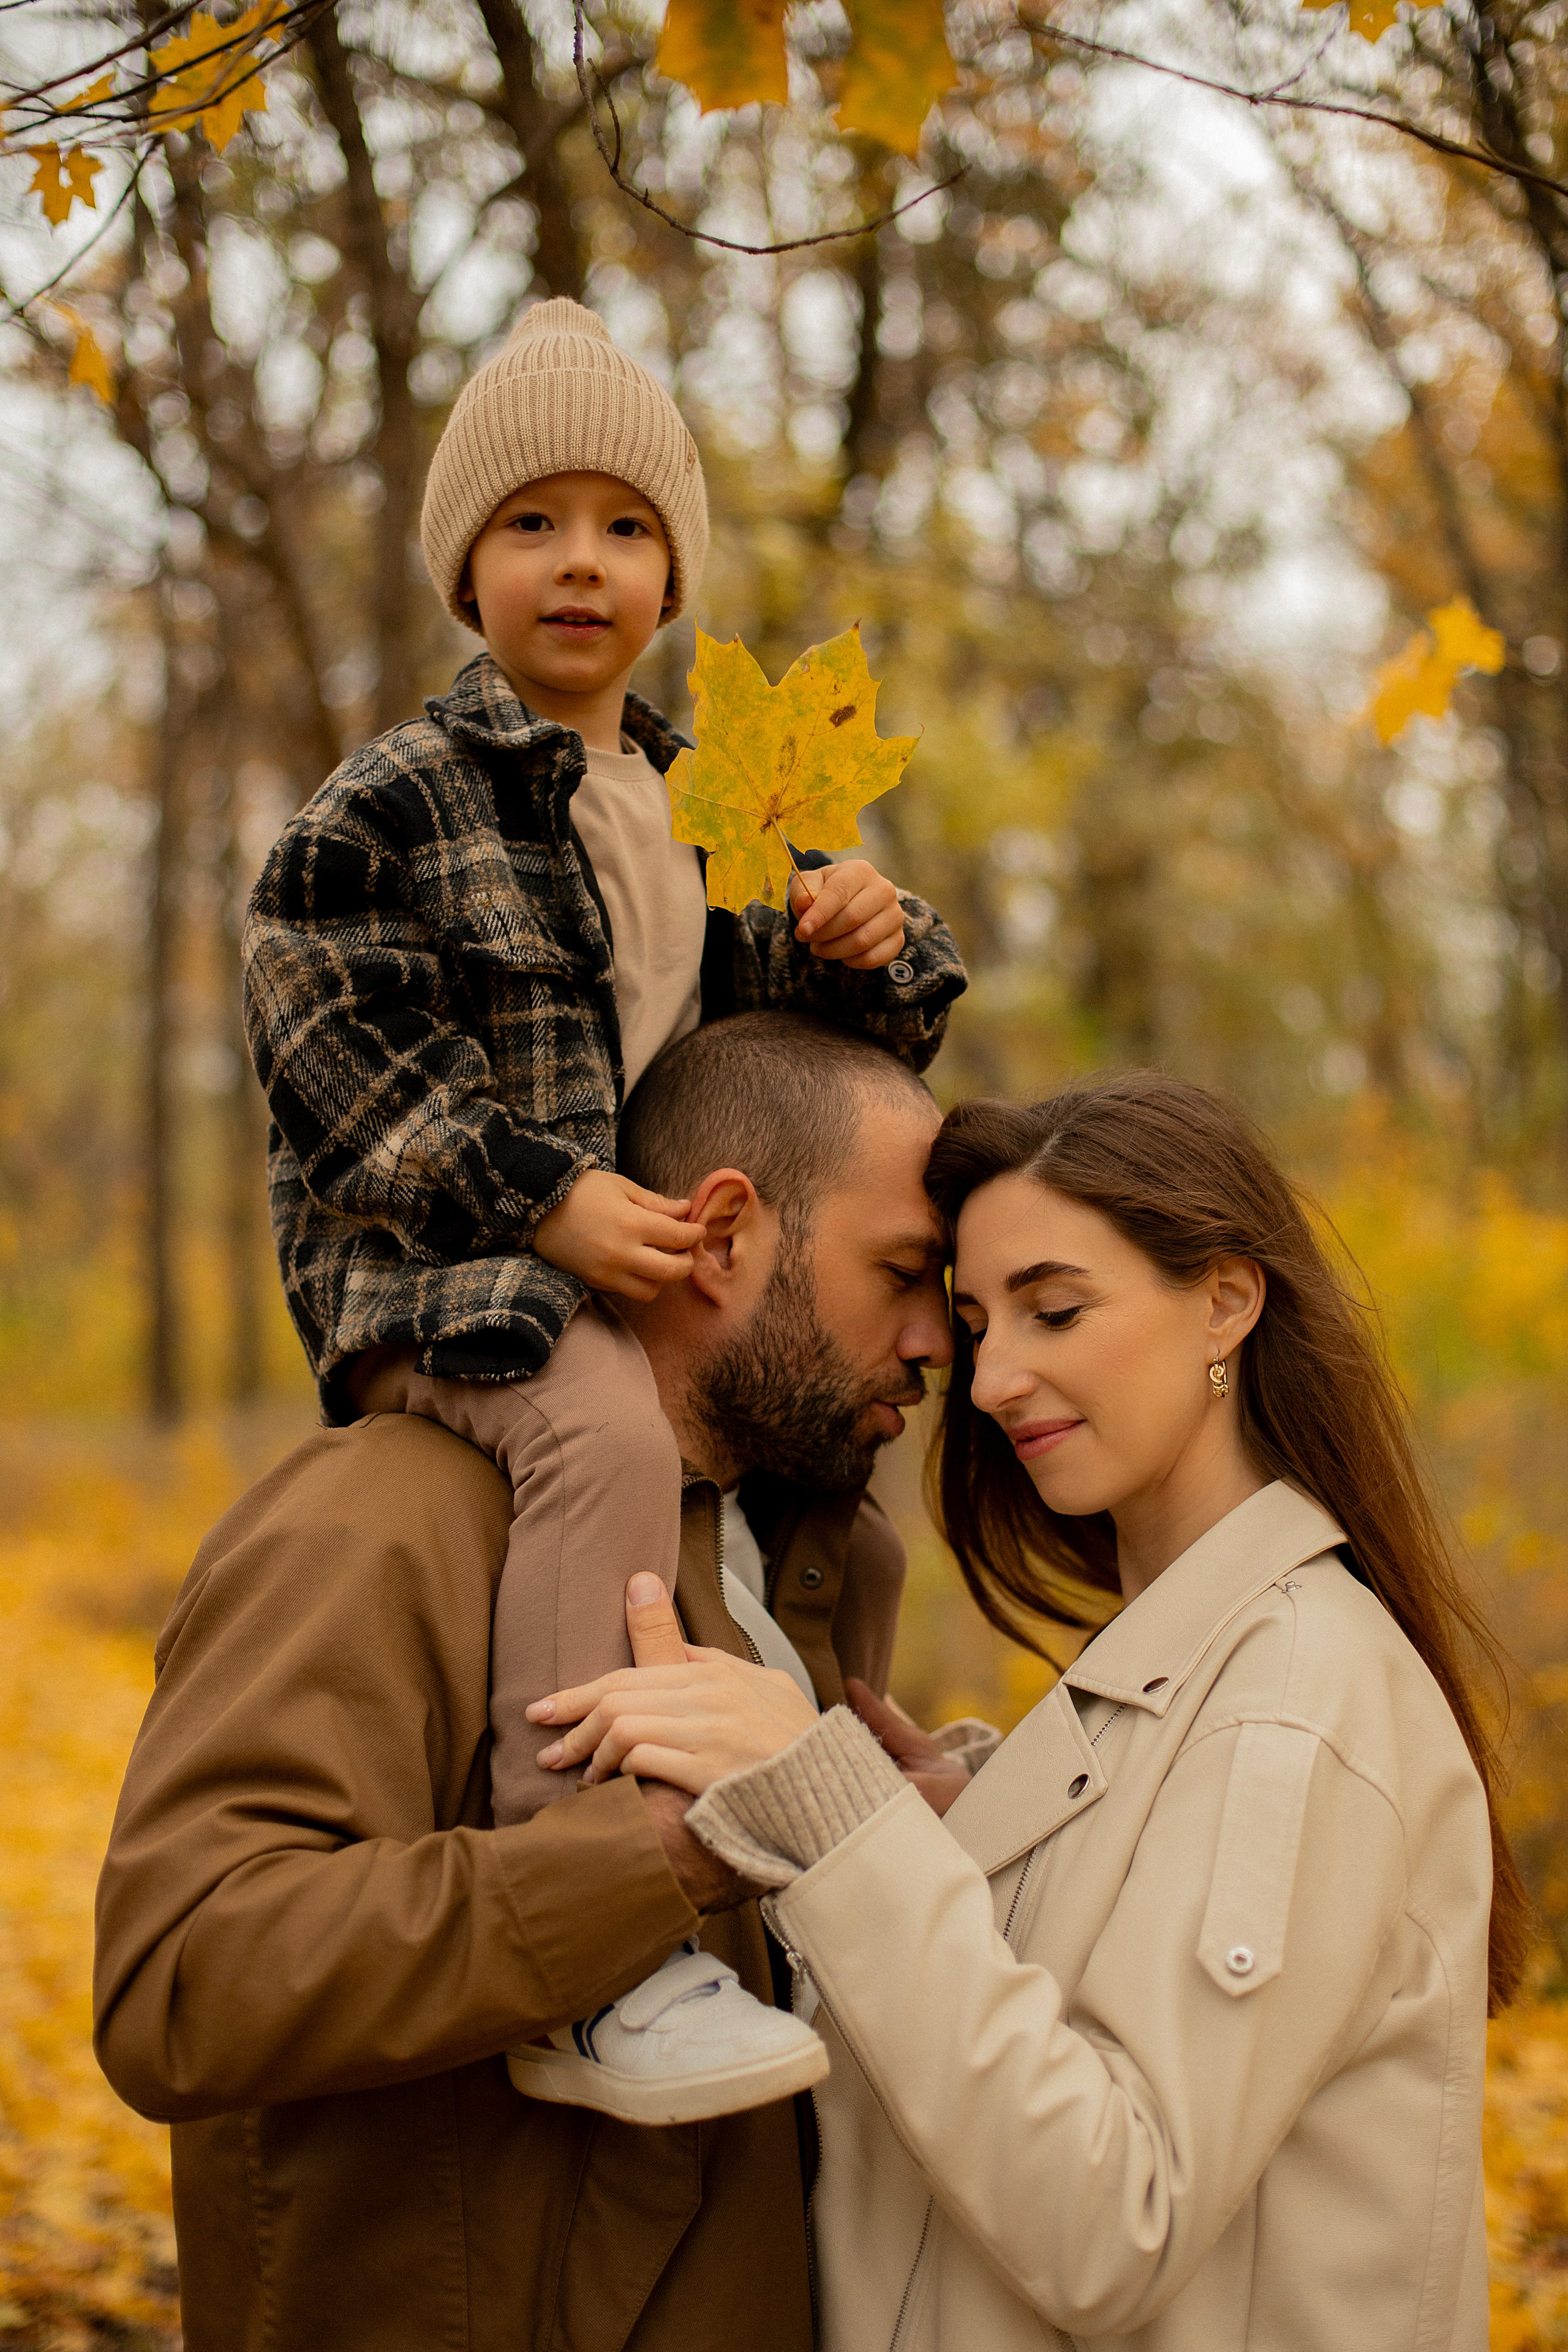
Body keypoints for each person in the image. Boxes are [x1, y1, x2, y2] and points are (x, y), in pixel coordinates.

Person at [241, 295, 965, 2116]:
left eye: (628, 528)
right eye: (534, 524)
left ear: (674, 573)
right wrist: (539, 1197)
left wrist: (872, 949)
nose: (584, 564)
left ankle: (840, 1750)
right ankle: (599, 1933)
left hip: (641, 1272)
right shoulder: (401, 800)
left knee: (837, 1490)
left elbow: (813, 1057)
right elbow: (322, 1022)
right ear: (465, 565)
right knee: (603, 1450)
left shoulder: (710, 807)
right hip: (455, 1286)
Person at [531, 1069, 1528, 2352]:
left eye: (1053, 1310)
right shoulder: (1196, 1659)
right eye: (975, 1320)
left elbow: (1112, 2221)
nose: (992, 1378)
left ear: (1224, 1299)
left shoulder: (1290, 1705)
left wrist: (840, 1826)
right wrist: (977, 1832)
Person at [92, 1011, 954, 2352]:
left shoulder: (797, 1563)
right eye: (900, 1273)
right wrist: (661, 1858)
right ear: (721, 1235)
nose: (932, 1343)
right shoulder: (383, 1515)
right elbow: (182, 1982)